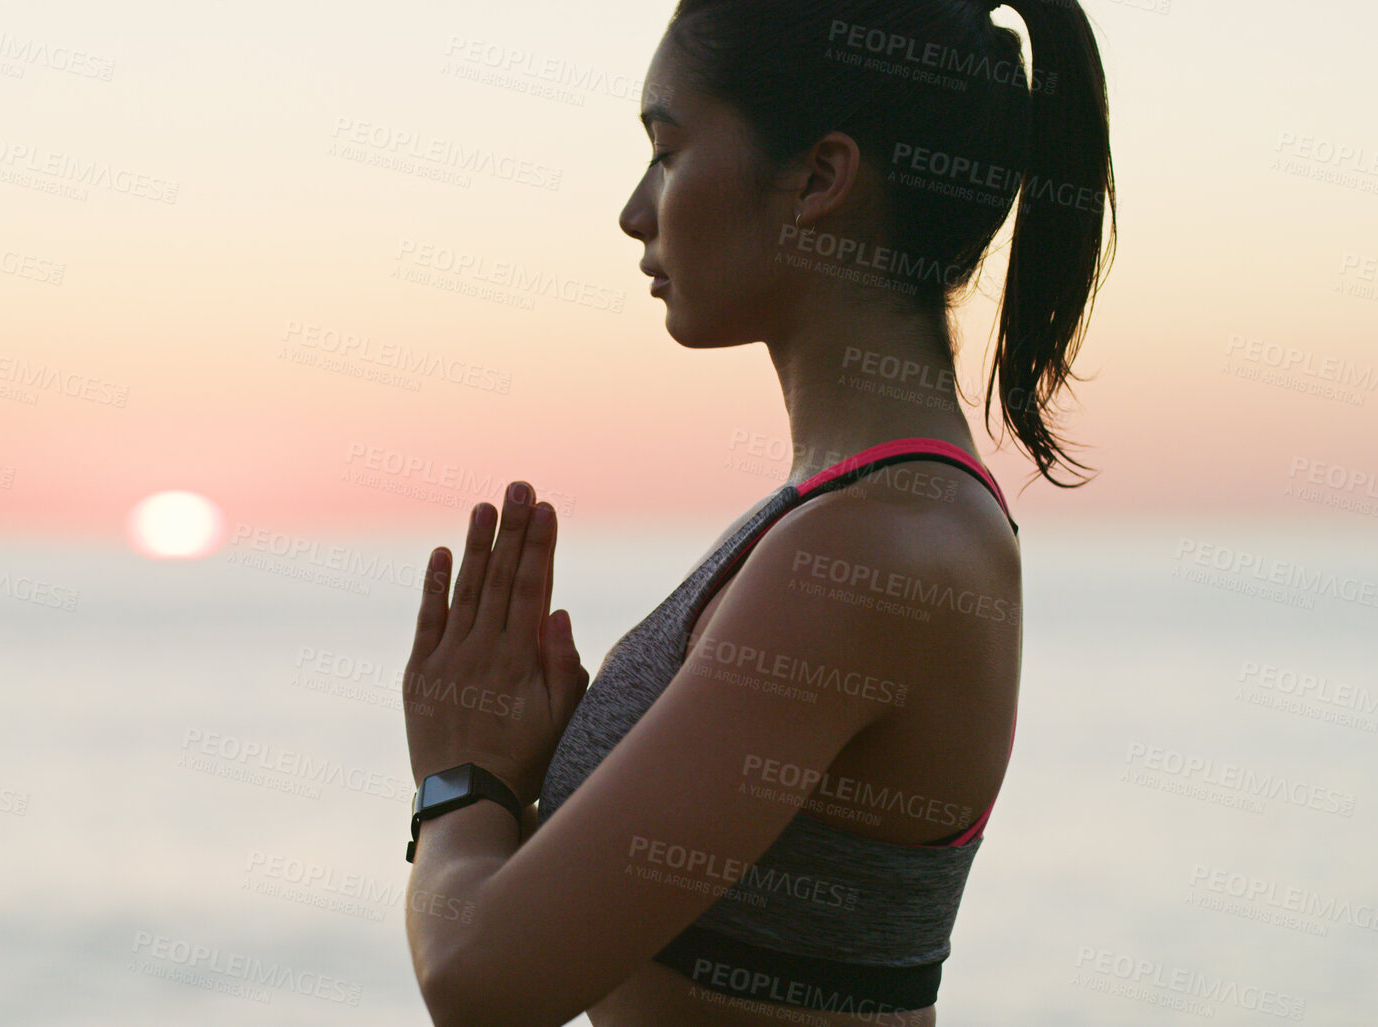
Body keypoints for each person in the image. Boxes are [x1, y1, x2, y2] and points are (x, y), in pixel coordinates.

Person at [398, 1, 1116, 1024]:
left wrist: (459, 776)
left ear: (821, 177)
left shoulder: (873, 549)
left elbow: (480, 982)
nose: (636, 211)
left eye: (667, 150)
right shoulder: (847, 514)